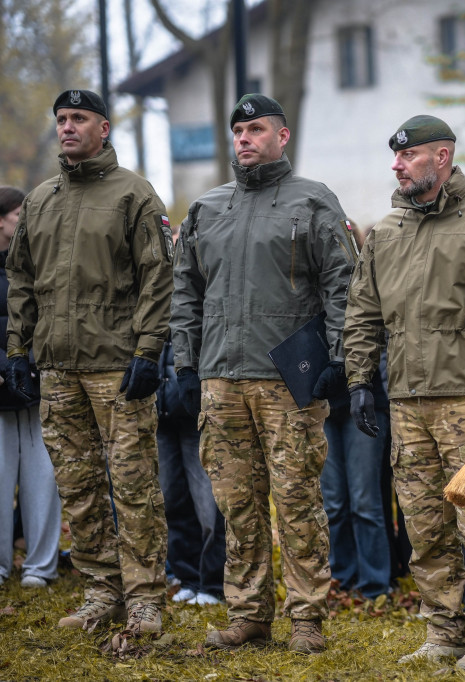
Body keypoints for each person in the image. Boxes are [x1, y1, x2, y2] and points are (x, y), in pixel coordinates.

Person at [344, 114, 465, 671]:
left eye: (408, 156)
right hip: (407, 400)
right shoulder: (385, 233)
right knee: (423, 523)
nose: (397, 165)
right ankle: (443, 629)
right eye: (396, 157)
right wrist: (360, 380)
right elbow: (362, 313)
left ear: (442, 158)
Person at [171, 93, 353, 654]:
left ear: (282, 135)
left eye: (255, 129)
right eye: (238, 131)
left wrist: (341, 359)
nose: (244, 139)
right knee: (237, 504)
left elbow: (344, 285)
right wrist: (184, 363)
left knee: (297, 501)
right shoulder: (207, 208)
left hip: (286, 381)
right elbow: (185, 289)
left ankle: (306, 618)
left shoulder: (312, 201)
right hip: (221, 379)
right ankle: (249, 614)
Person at [4, 90, 172, 633]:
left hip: (116, 366)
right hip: (57, 367)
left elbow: (157, 279)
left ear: (103, 127)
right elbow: (22, 279)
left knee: (133, 483)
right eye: (61, 120)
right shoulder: (40, 199)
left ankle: (145, 596)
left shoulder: (134, 195)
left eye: (79, 119)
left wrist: (149, 351)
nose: (67, 127)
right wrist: (16, 349)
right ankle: (103, 592)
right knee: (77, 485)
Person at [320, 221, 391, 599]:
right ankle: (342, 577)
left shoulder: (371, 284)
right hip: (324, 407)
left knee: (365, 499)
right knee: (333, 500)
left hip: (367, 403)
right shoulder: (313, 287)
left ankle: (376, 583)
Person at [157, 223, 225, 607]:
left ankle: (213, 583)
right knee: (173, 499)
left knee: (209, 504)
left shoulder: (208, 282)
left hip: (197, 409)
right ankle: (184, 574)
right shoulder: (161, 282)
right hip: (163, 409)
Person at [0, 186, 61, 590]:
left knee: (45, 478)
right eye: (20, 213)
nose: (26, 219)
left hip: (38, 383)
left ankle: (40, 565)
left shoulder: (39, 261)